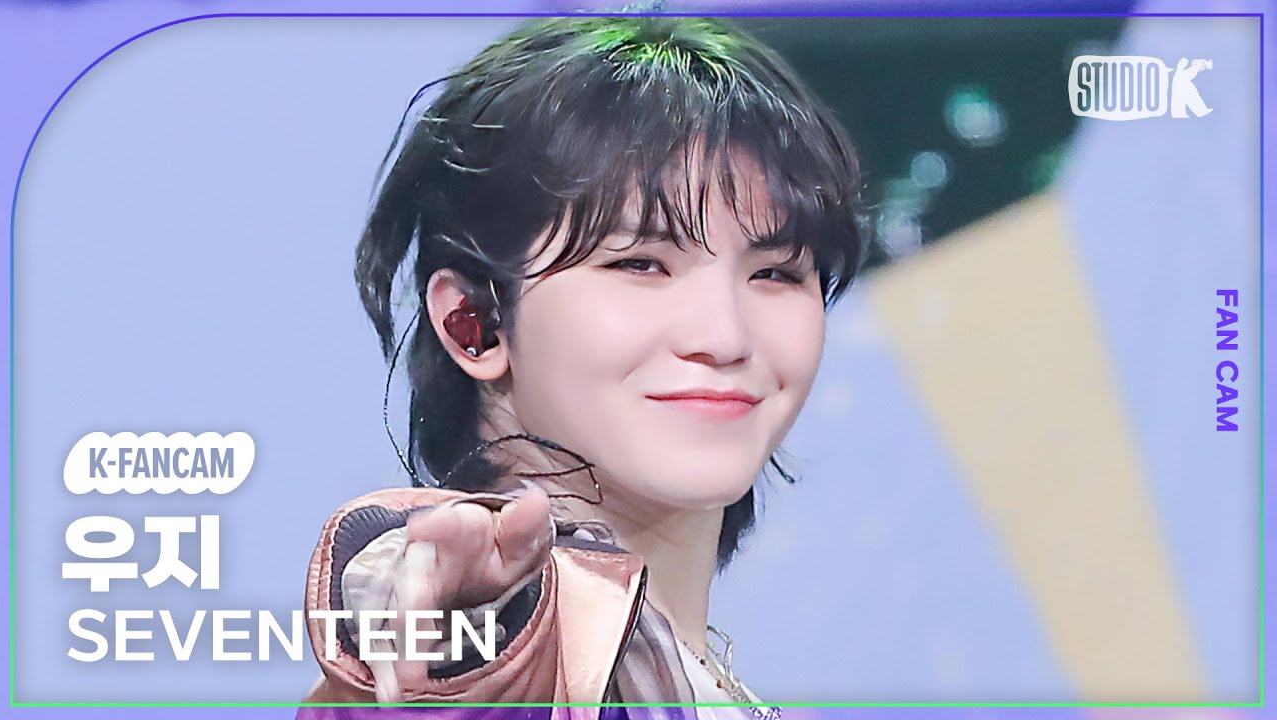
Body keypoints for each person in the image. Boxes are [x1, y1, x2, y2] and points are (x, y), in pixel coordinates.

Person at [301, 15, 864, 712]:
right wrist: (465, 619)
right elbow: (420, 586)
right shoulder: (500, 632)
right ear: (473, 322)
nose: (725, 336)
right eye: (640, 264)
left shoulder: (699, 680)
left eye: (776, 273)